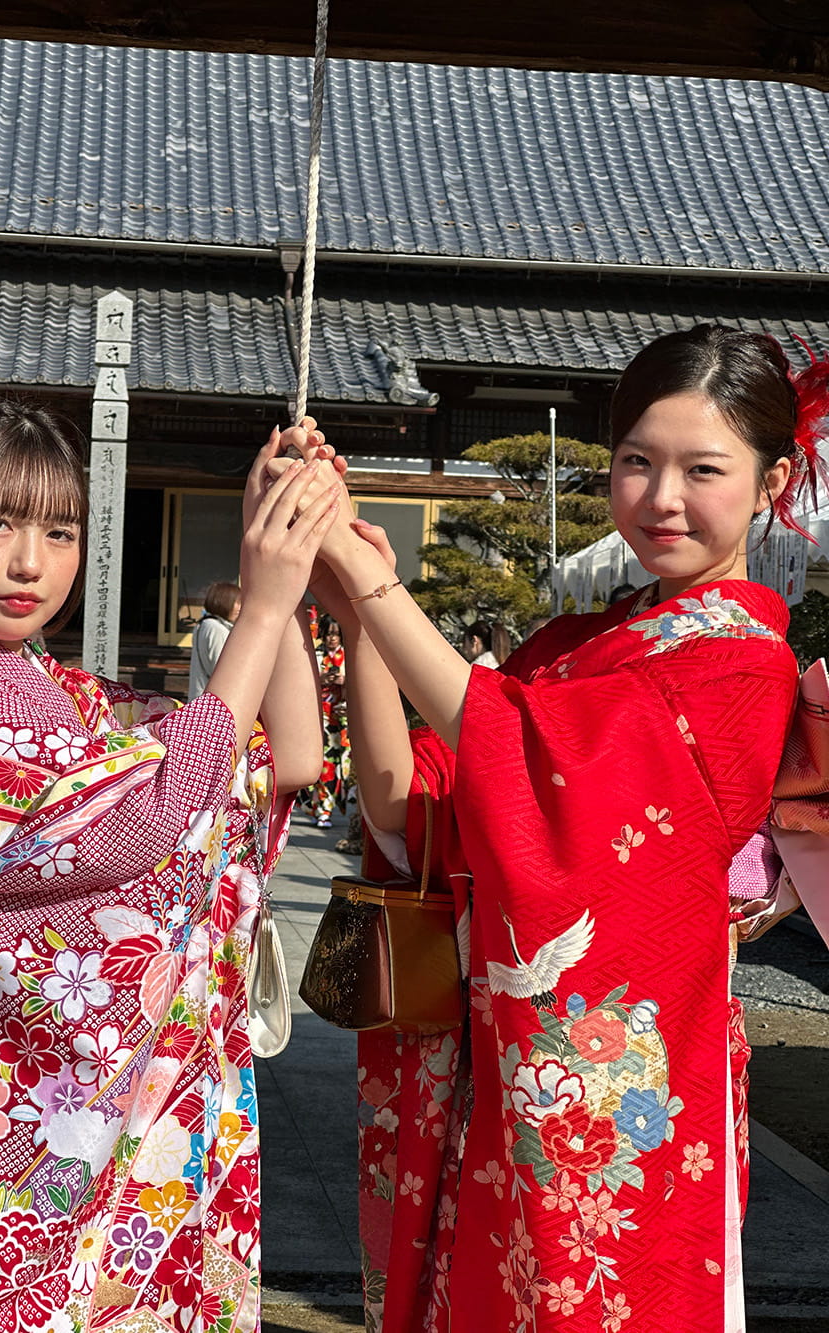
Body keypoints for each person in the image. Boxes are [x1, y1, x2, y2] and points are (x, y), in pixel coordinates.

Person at [284, 325, 824, 1331]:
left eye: (701, 469)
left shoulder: (741, 670)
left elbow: (530, 760)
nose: (660, 498)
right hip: (497, 1076)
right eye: (635, 461)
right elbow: (408, 802)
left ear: (770, 479)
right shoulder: (575, 644)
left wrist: (375, 584)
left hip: (617, 1091)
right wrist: (359, 618)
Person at [0, 405, 339, 1330]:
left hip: (72, 1133)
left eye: (60, 531)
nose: (32, 561)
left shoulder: (60, 693)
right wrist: (262, 604)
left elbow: (287, 755)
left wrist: (275, 563)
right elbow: (143, 818)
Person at [308, 616, 351, 828]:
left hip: (343, 716)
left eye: (336, 634)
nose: (332, 638)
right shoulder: (315, 655)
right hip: (320, 716)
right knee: (323, 764)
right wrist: (320, 679)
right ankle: (322, 809)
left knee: (342, 765)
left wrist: (346, 681)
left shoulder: (349, 654)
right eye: (329, 633)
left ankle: (330, 807)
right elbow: (303, 681)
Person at [187, 580, 241, 700]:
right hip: (214, 702)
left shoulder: (204, 624)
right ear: (223, 602)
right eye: (236, 602)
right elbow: (223, 671)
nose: (239, 608)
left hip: (201, 698)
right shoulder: (216, 628)